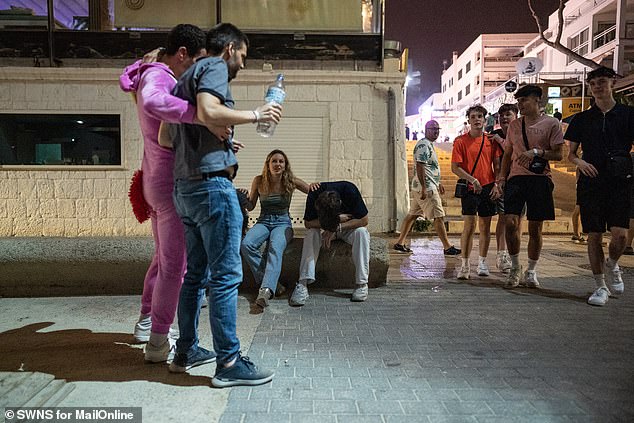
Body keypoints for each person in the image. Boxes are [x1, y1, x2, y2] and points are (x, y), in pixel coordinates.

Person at [165, 23, 282, 386]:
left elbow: (165, 135)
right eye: (243, 56)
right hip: (213, 189)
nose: (243, 65)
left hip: (185, 189)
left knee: (195, 275)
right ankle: (230, 363)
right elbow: (209, 111)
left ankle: (185, 351)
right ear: (229, 48)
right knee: (226, 277)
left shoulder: (182, 80)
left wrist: (219, 145)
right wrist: (256, 115)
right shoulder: (213, 65)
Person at [119, 24, 207, 363]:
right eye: (196, 61)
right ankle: (158, 342)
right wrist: (203, 117)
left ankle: (146, 321)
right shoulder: (158, 78)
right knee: (176, 266)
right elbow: (157, 102)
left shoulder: (149, 71)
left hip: (153, 180)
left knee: (162, 257)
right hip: (168, 184)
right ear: (182, 53)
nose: (198, 69)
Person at [565, 66, 634, 306]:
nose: (597, 87)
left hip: (619, 180)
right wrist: (581, 163)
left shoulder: (628, 114)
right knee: (593, 235)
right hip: (591, 180)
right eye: (593, 83)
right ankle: (600, 286)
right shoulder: (582, 119)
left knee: (620, 235)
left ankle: (612, 264)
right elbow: (571, 154)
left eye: (602, 82)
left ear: (612, 84)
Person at [500, 84, 564, 289]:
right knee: (510, 223)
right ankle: (515, 266)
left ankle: (531, 270)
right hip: (516, 178)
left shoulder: (551, 124)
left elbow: (558, 154)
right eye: (518, 101)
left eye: (524, 100)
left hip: (540, 179)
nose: (520, 105)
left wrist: (537, 152)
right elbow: (508, 153)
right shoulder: (514, 126)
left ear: (537, 100)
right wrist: (502, 178)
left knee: (535, 227)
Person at [240, 150, 318, 309]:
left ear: (285, 165)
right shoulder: (259, 181)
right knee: (246, 244)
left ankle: (265, 291)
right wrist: (243, 197)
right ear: (268, 164)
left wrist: (318, 186)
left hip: (283, 223)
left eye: (281, 161)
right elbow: (251, 205)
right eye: (274, 161)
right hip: (263, 221)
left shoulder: (291, 181)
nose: (277, 164)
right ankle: (273, 283)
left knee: (275, 248)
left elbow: (312, 190)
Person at [289, 181, 370, 305]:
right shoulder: (314, 192)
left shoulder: (349, 190)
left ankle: (362, 283)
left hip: (346, 228)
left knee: (362, 233)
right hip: (324, 230)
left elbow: (364, 220)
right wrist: (331, 224)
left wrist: (337, 226)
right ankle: (302, 284)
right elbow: (308, 223)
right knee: (311, 234)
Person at [393, 119, 460, 255]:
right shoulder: (423, 145)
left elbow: (429, 168)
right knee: (438, 216)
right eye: (432, 129)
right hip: (426, 188)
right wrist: (425, 187)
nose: (435, 131)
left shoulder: (429, 145)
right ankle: (447, 246)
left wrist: (438, 182)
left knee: (412, 215)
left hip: (426, 185)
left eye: (437, 129)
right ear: (426, 130)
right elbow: (420, 166)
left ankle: (400, 242)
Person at [451, 105, 502, 280]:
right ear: (469, 120)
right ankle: (465, 264)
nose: (477, 119)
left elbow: (497, 165)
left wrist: (497, 184)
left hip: (488, 186)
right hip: (471, 187)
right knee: (469, 225)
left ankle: (482, 262)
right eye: (473, 117)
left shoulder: (491, 141)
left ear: (485, 119)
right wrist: (472, 179)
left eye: (480, 116)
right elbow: (455, 167)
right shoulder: (460, 141)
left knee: (485, 227)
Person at [489, 104, 519, 272]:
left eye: (508, 114)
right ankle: (501, 254)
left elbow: (515, 151)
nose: (505, 118)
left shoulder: (521, 134)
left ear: (516, 116)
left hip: (520, 181)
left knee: (518, 220)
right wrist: (496, 182)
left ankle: (514, 253)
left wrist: (501, 141)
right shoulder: (494, 136)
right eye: (501, 115)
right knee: (503, 217)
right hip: (502, 182)